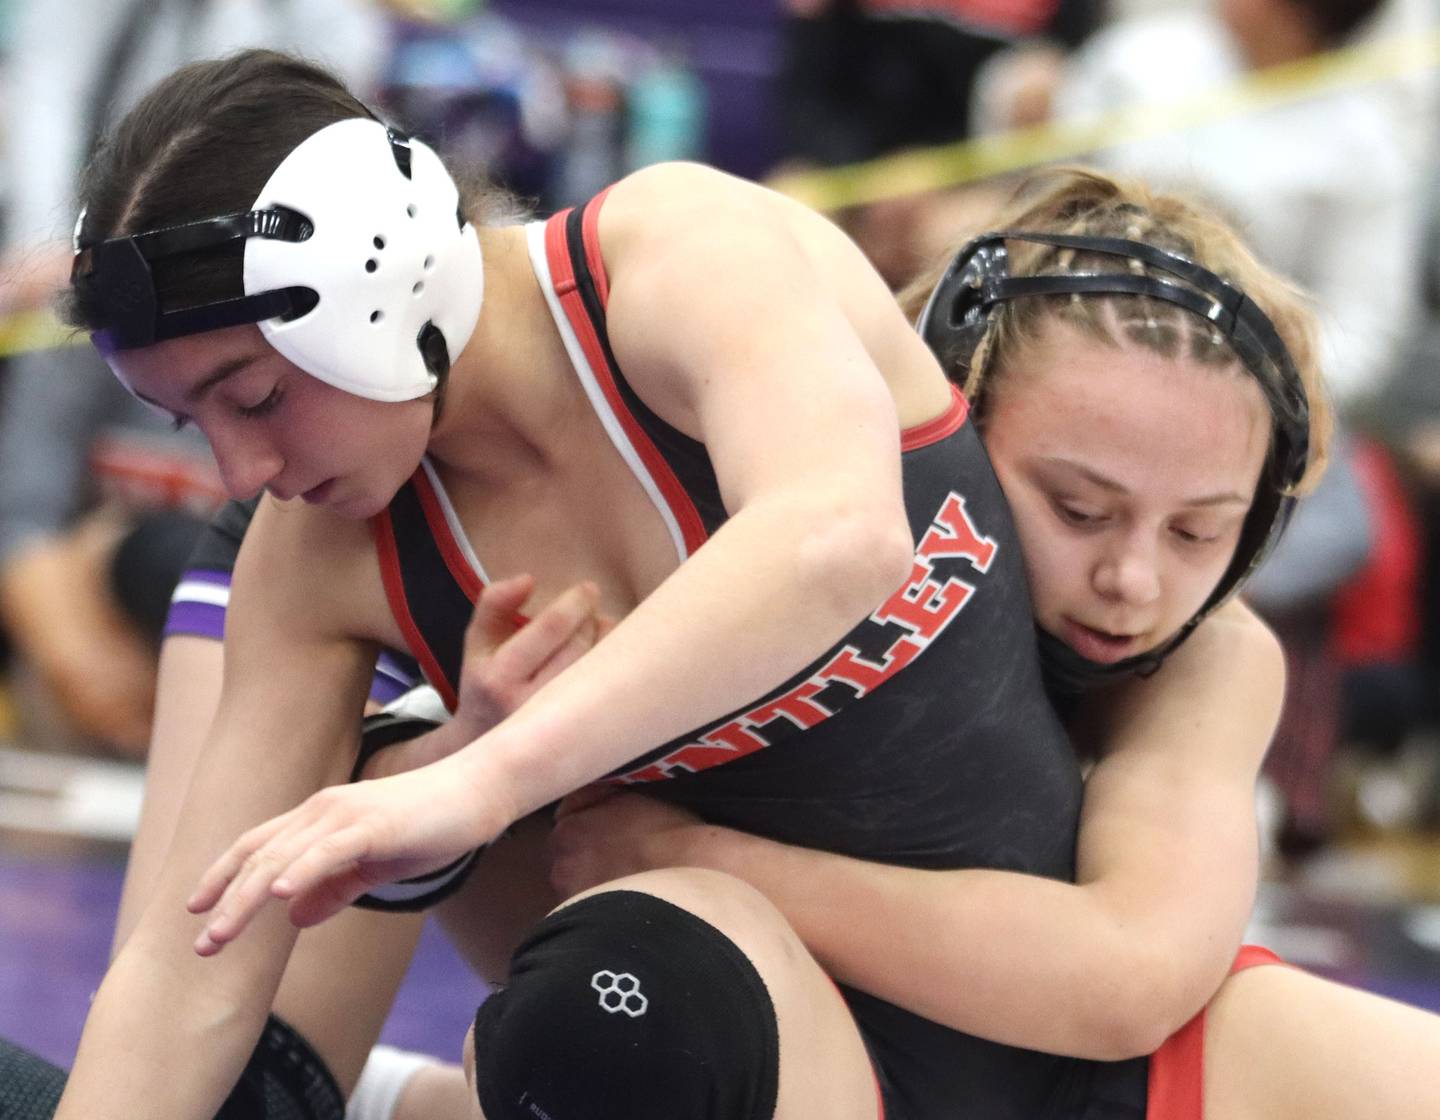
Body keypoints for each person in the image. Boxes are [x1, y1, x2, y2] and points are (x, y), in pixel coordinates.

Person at [56, 48, 1084, 1120]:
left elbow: (839, 534)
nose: (239, 473)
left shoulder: (674, 254)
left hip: (1054, 1013)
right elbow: (185, 975)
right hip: (775, 1048)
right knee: (616, 1001)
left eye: (255, 397)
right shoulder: (313, 548)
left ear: (381, 274)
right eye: (194, 422)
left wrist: (483, 779)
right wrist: (460, 759)